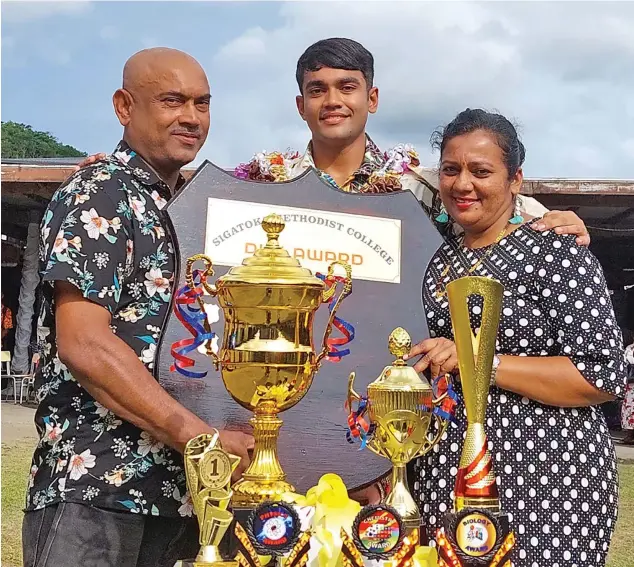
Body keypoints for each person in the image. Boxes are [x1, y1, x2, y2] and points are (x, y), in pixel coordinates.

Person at [23, 47, 253, 567]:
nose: (191, 117)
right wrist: (196, 436)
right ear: (124, 107)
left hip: (185, 498)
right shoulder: (101, 193)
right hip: (98, 491)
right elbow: (83, 341)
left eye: (202, 103)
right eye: (172, 100)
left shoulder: (192, 211)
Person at [405, 108, 626, 566]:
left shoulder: (556, 252)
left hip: (547, 478)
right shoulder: (438, 261)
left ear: (515, 180)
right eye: (451, 169)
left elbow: (602, 374)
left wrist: (479, 361)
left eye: (481, 171)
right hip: (446, 472)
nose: (462, 184)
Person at [234, 38, 591, 247]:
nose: (332, 101)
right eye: (317, 90)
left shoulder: (419, 187)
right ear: (301, 106)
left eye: (347, 87)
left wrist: (555, 221)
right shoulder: (267, 185)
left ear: (371, 99)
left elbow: (494, 203)